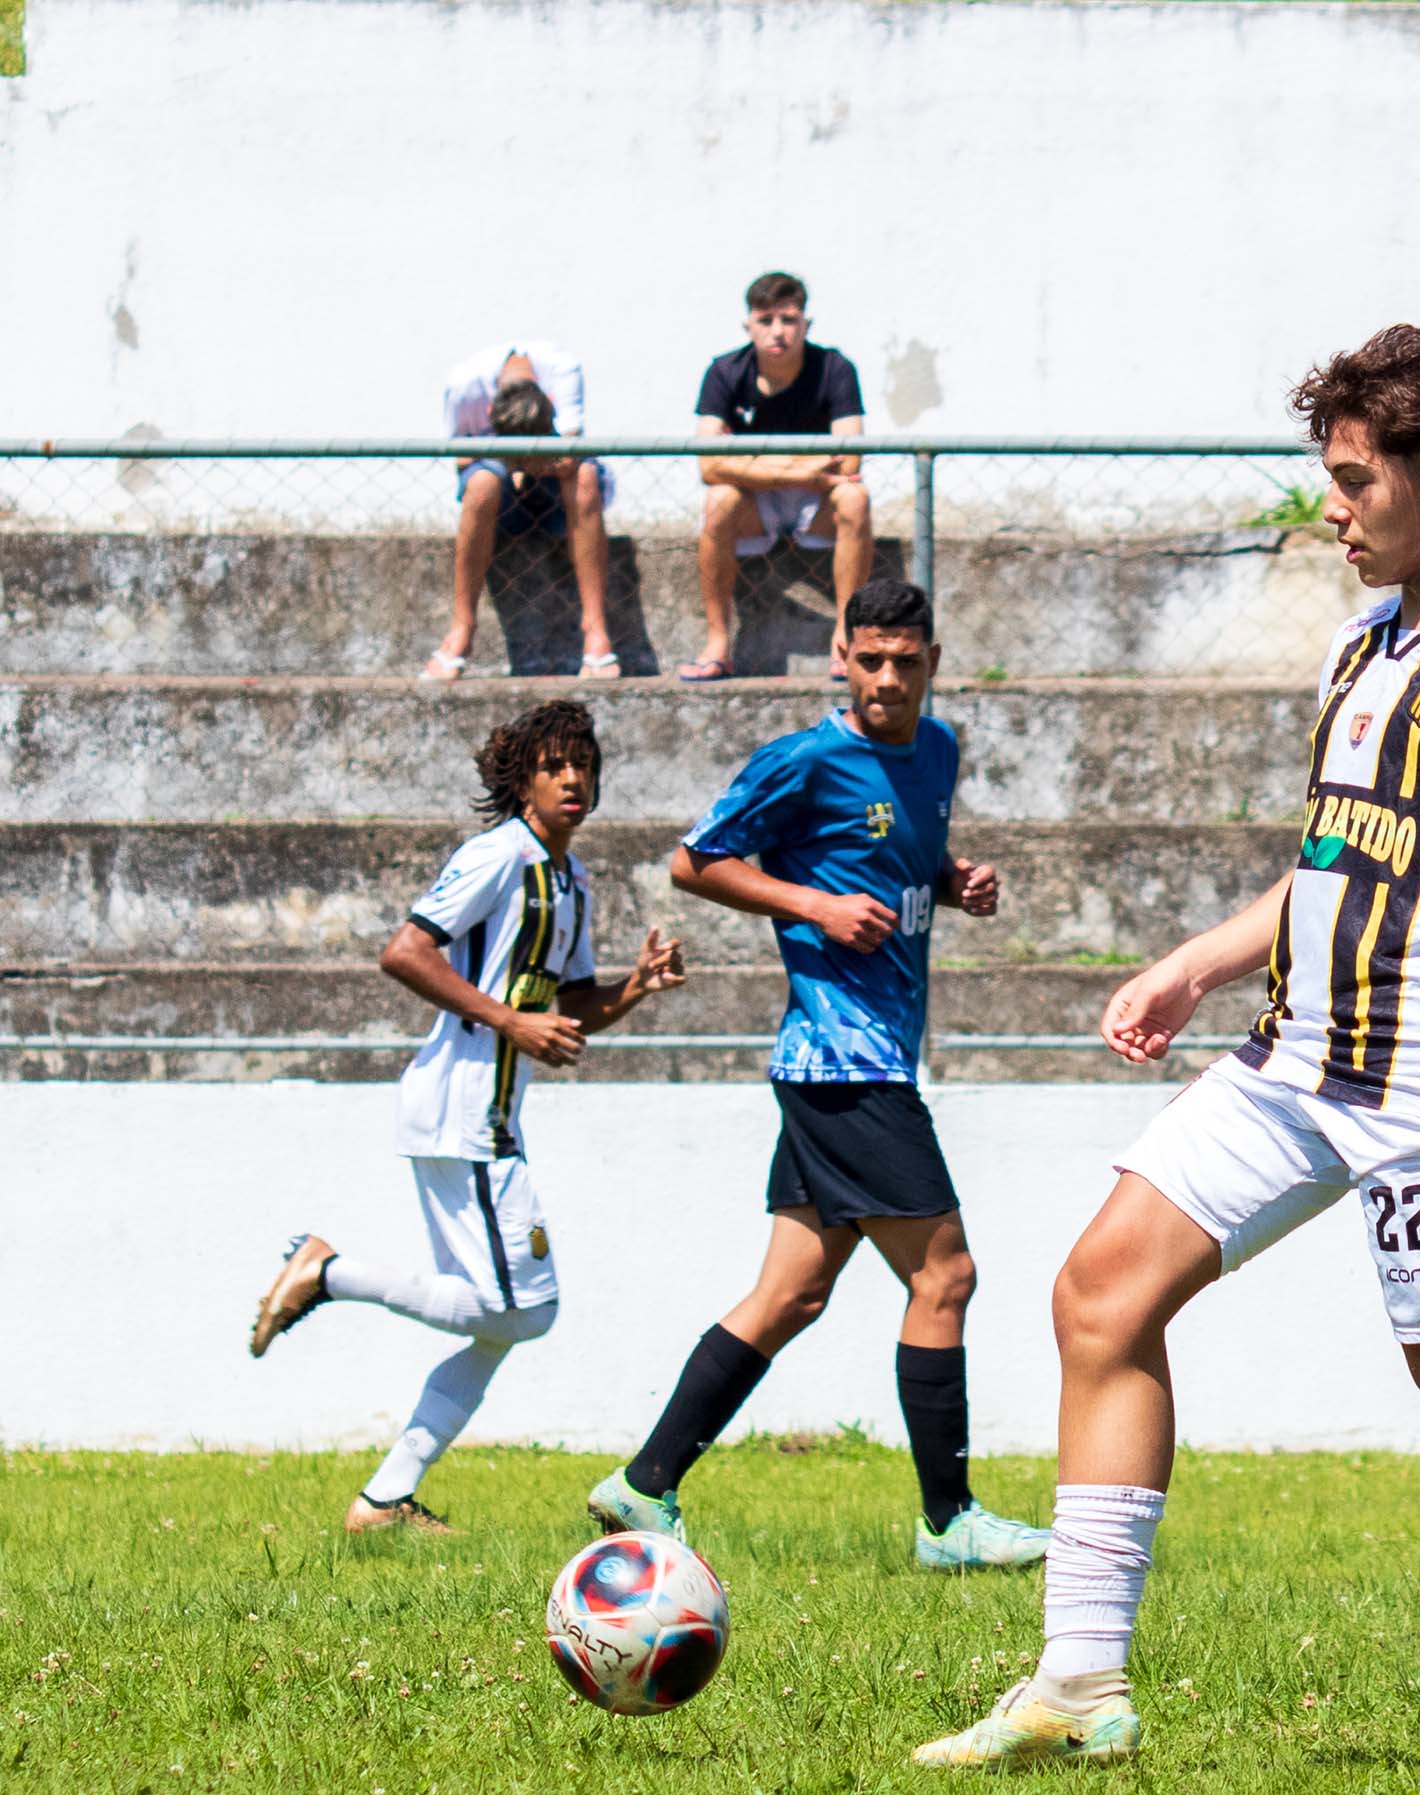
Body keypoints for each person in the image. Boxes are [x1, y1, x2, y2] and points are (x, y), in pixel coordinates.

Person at [910, 325, 1420, 1779]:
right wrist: (1196, 960)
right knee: (1101, 1294)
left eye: (1359, 481)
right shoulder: (1360, 645)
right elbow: (1335, 861)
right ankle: (1079, 1682)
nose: (1337, 509)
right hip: (1296, 1054)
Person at [585, 579, 1050, 1572]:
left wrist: (950, 880)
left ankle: (643, 1483)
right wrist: (814, 907)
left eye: (905, 660)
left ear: (931, 659)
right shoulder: (802, 758)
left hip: (852, 1061)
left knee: (791, 1293)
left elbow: (895, 855)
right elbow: (695, 862)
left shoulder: (938, 750)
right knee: (946, 1274)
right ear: (841, 655)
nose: (886, 678)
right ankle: (949, 1519)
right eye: (868, 658)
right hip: (846, 1061)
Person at [250, 700, 684, 1530]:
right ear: (523, 780)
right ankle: (328, 1271)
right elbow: (406, 950)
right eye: (554, 765)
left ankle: (385, 1496)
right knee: (525, 1310)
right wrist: (509, 1019)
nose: (572, 778)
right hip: (462, 1111)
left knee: (501, 1318)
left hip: (488, 1118)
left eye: (583, 765)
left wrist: (636, 987)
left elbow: (568, 1005)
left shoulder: (572, 880)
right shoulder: (497, 857)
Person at [682, 272, 871, 683]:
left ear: (806, 325)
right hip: (760, 502)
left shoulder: (835, 369)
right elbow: (708, 466)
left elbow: (849, 463)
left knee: (855, 498)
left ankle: (845, 637)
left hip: (816, 503)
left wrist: (748, 460)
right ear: (748, 325)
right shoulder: (724, 372)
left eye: (788, 319)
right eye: (765, 320)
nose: (778, 331)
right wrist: (805, 468)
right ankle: (717, 642)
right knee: (719, 499)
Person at [431, 345, 617, 680]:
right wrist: (511, 464)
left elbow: (572, 455)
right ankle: (461, 629)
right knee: (482, 483)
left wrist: (535, 463)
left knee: (586, 476)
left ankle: (596, 633)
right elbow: (460, 458)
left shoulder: (564, 372)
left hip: (553, 484)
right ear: (489, 411)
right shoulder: (463, 386)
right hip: (496, 484)